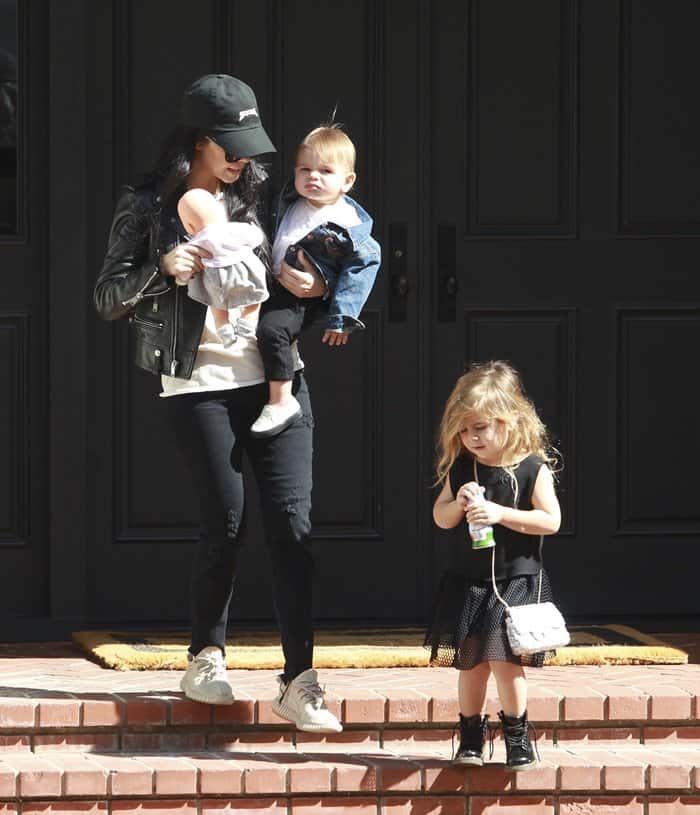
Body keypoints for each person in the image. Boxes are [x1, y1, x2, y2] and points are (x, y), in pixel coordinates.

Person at [94, 73, 342, 733]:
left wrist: (315, 287)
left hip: (276, 379)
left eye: (249, 145)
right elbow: (106, 295)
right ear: (198, 139)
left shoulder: (265, 199)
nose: (243, 158)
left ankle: (300, 679)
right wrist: (161, 268)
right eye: (231, 144)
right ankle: (206, 652)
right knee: (228, 524)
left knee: (294, 530)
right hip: (200, 383)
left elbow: (312, 276)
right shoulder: (147, 202)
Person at [425, 360, 561, 771]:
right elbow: (440, 517)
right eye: (465, 431)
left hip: (516, 580)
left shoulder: (532, 468)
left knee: (506, 662)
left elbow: (551, 521)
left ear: (510, 420)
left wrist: (500, 514)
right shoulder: (464, 468)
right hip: (471, 581)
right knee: (472, 663)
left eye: (480, 428)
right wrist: (458, 500)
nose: (472, 438)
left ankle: (517, 737)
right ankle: (470, 736)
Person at [250, 125, 381, 438]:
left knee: (273, 330)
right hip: (271, 281)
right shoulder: (287, 202)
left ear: (347, 182)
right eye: (305, 169)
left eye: (325, 171)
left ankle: (281, 401)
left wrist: (341, 316)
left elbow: (362, 268)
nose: (313, 177)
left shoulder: (347, 223)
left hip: (300, 296)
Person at [177, 187, 268, 347]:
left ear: (189, 227)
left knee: (216, 305)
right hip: (243, 273)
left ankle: (223, 328)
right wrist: (253, 229)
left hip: (215, 279)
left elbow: (188, 265)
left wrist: (183, 278)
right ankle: (247, 322)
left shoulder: (197, 241)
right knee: (255, 298)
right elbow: (257, 237)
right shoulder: (234, 228)